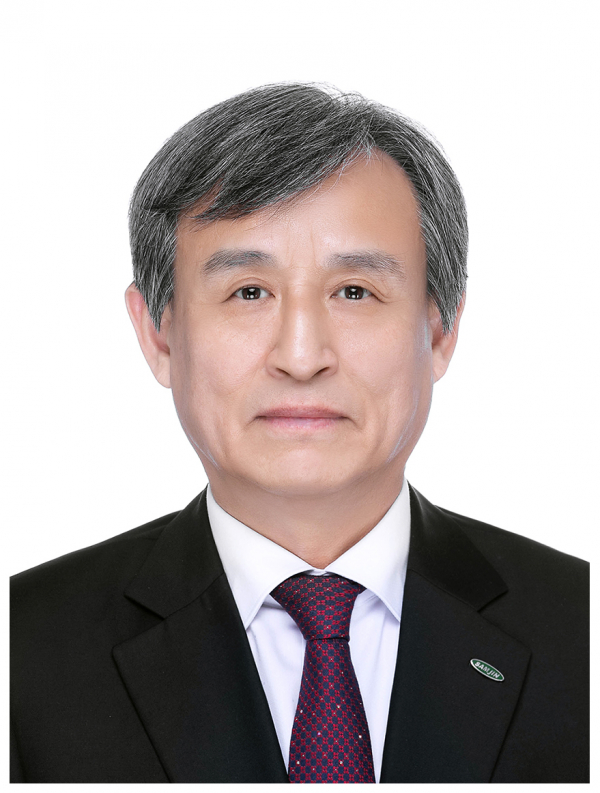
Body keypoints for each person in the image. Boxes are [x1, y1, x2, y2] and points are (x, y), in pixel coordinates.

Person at [10, 83, 588, 783]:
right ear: (158, 335)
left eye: (355, 292)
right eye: (249, 292)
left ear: (441, 330)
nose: (302, 355)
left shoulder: (579, 628)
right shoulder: (24, 650)